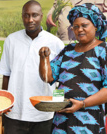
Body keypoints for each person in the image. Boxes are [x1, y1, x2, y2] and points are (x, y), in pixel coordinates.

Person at [0, 1, 64, 134]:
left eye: (35, 15)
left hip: (43, 113)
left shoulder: (55, 43)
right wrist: (5, 103)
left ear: (41, 16)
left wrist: (57, 105)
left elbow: (61, 79)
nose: (30, 20)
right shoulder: (11, 40)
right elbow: (6, 74)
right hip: (15, 112)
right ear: (22, 16)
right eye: (26, 15)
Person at [39, 3, 107, 133]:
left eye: (84, 25)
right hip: (62, 119)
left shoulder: (103, 50)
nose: (79, 29)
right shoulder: (68, 50)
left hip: (88, 121)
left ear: (95, 25)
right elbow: (48, 77)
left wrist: (82, 104)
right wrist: (44, 58)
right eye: (75, 27)